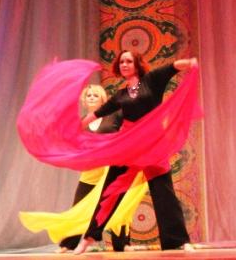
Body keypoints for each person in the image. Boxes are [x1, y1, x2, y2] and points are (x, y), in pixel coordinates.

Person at [77, 51, 197, 251]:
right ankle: (89, 237)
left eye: (128, 61)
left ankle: (178, 241)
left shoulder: (152, 80)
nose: (124, 64)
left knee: (164, 192)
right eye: (121, 62)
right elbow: (97, 113)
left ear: (137, 64)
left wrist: (190, 63)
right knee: (110, 192)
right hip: (129, 148)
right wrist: (74, 128)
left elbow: (173, 67)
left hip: (153, 146)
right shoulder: (121, 95)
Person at [54, 85, 122, 252]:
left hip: (110, 168)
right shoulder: (82, 122)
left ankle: (122, 244)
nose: (91, 97)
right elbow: (75, 144)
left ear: (102, 99)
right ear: (84, 101)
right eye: (89, 95)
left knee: (116, 205)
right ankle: (68, 244)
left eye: (95, 95)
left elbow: (124, 135)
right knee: (79, 207)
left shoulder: (113, 116)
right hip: (90, 170)